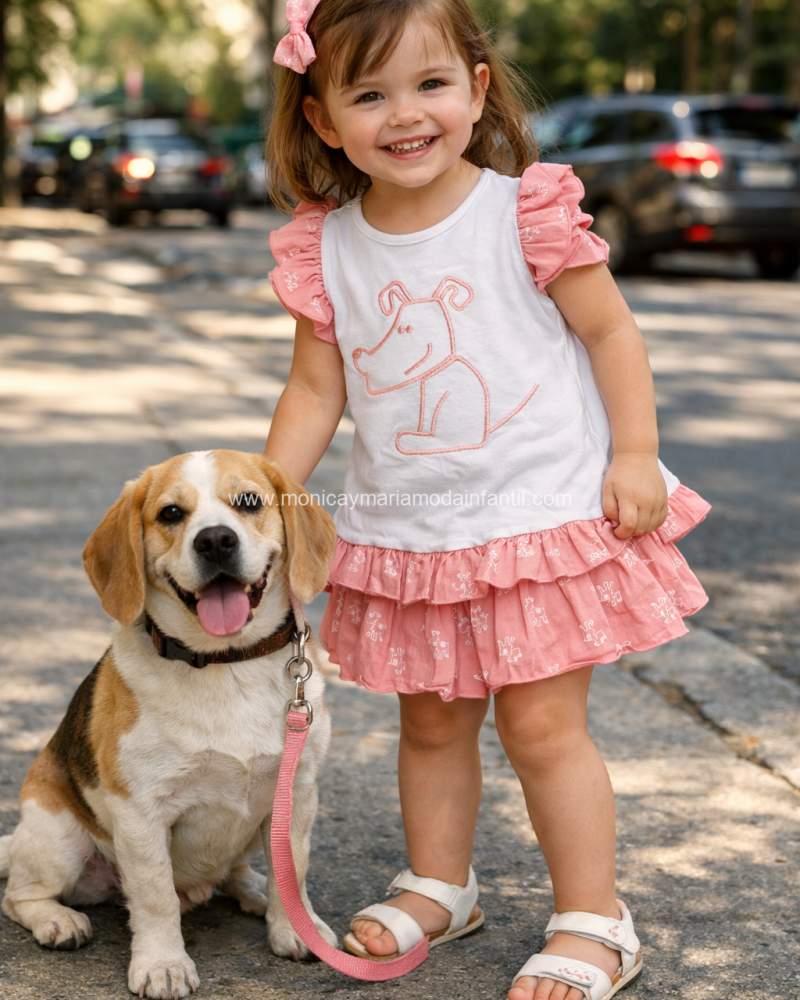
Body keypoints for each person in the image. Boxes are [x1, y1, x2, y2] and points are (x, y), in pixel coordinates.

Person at [263, 1, 710, 997]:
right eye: (368, 94)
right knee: (429, 723)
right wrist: (268, 504)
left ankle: (594, 917)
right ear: (324, 120)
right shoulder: (326, 245)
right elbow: (314, 388)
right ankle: (438, 882)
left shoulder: (521, 209)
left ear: (472, 89)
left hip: (534, 520)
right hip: (413, 533)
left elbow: (610, 334)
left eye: (428, 85)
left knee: (542, 728)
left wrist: (633, 454)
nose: (403, 113)